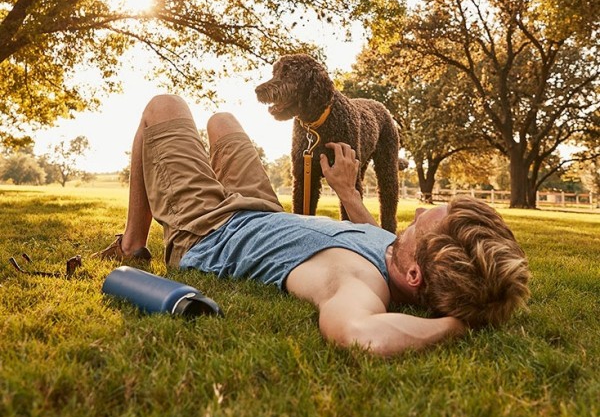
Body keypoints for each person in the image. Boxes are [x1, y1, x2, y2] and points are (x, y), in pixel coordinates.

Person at [94, 94, 530, 357]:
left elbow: (361, 337)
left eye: (419, 226)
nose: (414, 216)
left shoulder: (357, 284)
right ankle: (175, 198)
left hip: (211, 232)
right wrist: (347, 193)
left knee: (163, 108)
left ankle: (132, 245)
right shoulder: (395, 255)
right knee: (222, 121)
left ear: (413, 275)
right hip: (262, 211)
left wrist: (462, 323)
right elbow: (371, 234)